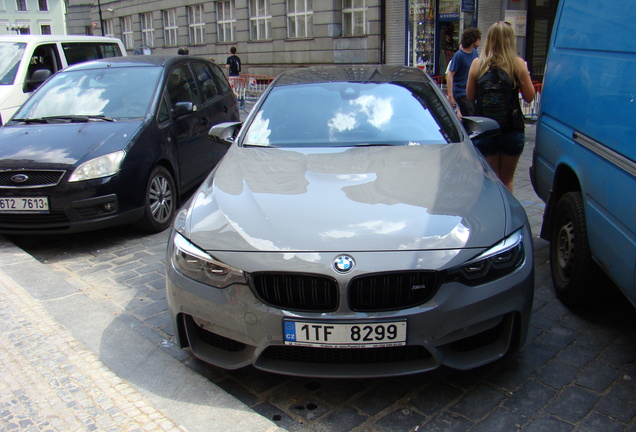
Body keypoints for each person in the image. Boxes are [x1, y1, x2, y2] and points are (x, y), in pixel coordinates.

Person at [466, 21, 535, 193]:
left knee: (489, 180)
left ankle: (489, 216)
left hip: (485, 129)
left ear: (489, 39)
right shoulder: (517, 64)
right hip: (511, 130)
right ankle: (506, 217)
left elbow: (470, 96)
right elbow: (529, 97)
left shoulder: (477, 64)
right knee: (507, 180)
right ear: (510, 40)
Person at [446, 28, 481, 117]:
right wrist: (450, 95)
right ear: (473, 39)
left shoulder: (475, 53)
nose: (480, 40)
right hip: (461, 92)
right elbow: (450, 74)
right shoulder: (459, 55)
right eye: (478, 38)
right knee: (470, 115)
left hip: (471, 91)